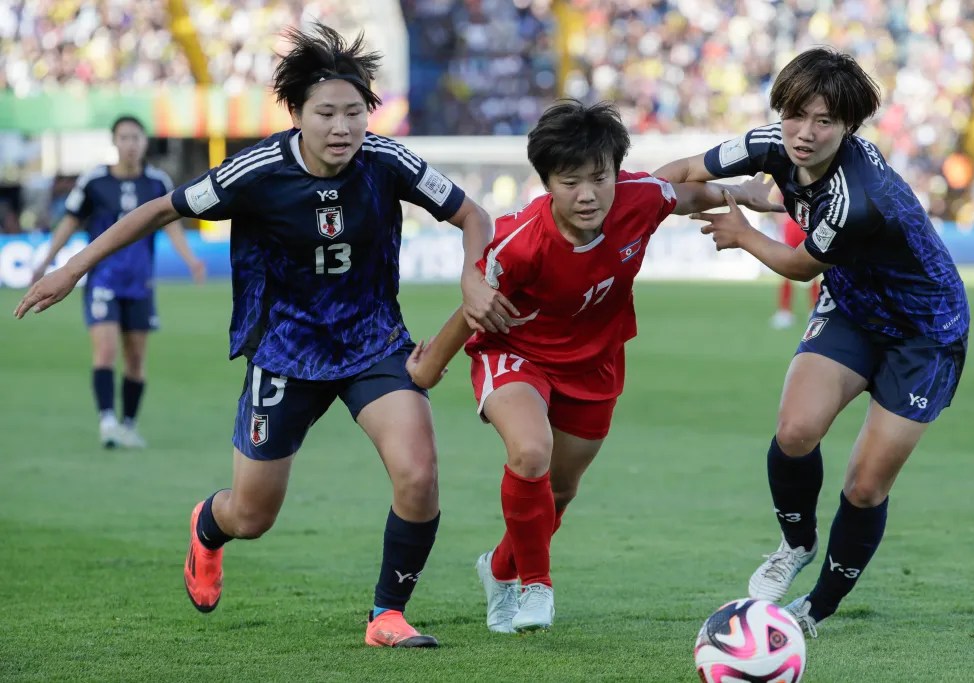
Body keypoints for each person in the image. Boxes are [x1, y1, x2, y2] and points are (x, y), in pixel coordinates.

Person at [15, 23, 514, 648]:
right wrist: (69, 269)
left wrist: (474, 275)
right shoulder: (256, 170)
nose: (343, 127)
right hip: (286, 351)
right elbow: (161, 209)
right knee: (251, 515)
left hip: (372, 341)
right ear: (297, 115)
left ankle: (387, 614)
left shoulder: (388, 161)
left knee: (418, 474)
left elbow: (473, 213)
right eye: (326, 113)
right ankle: (208, 527)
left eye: (355, 113)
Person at [405, 99, 784, 633]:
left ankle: (498, 570)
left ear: (615, 173)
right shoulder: (518, 243)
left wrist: (740, 192)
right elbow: (475, 309)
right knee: (531, 452)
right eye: (569, 182)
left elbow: (682, 193)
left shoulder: (638, 198)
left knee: (559, 491)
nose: (587, 194)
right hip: (517, 353)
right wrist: (429, 370)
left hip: (594, 363)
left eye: (599, 178)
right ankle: (537, 586)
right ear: (547, 183)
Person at [656, 47, 970, 636]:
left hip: (925, 333)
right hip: (854, 305)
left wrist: (744, 232)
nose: (804, 133)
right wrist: (632, 201)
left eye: (824, 121)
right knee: (796, 430)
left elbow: (801, 265)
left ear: (849, 126)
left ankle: (816, 609)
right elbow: (689, 169)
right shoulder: (769, 142)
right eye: (796, 114)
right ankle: (796, 544)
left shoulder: (859, 195)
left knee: (866, 482)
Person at [31, 115, 207, 449]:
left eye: (136, 138)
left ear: (144, 142)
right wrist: (45, 260)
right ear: (114, 142)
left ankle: (128, 424)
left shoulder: (156, 182)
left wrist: (191, 259)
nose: (130, 144)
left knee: (137, 359)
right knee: (106, 350)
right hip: (103, 280)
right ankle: (107, 421)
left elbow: (170, 223)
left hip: (140, 283)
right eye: (124, 138)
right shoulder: (95, 181)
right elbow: (70, 221)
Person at [770, 214, 820, 329]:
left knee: (812, 268)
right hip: (794, 223)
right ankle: (785, 312)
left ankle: (814, 310)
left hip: (807, 224)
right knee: (787, 268)